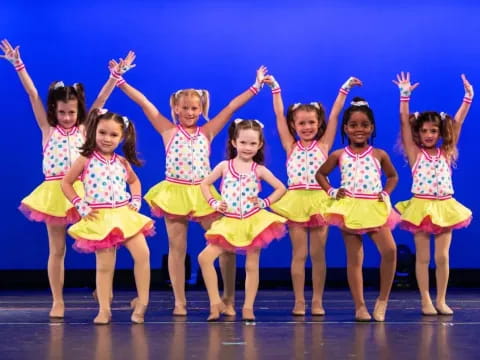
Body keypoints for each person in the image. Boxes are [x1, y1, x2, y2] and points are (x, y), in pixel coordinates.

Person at [116, 63, 268, 315]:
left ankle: (227, 299)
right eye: (184, 108)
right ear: (175, 108)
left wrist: (255, 87)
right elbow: (144, 103)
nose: (189, 112)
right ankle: (179, 301)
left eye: (194, 108)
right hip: (174, 193)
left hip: (202, 194)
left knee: (225, 244)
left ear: (201, 109)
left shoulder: (206, 132)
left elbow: (231, 107)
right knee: (177, 248)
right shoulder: (168, 130)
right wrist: (120, 81)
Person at [0, 38, 134, 318]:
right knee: (57, 249)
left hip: (87, 191)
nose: (66, 117)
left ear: (79, 112)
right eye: (61, 112)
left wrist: (115, 77)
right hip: (55, 192)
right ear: (54, 112)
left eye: (71, 112)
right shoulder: (47, 129)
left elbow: (101, 101)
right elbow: (33, 95)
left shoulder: (86, 127)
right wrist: (17, 65)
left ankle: (104, 290)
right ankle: (57, 300)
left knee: (106, 240)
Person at [265, 74, 362, 316]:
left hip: (320, 199)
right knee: (299, 254)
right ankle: (299, 300)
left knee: (318, 255)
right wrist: (275, 88)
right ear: (294, 126)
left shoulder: (324, 145)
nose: (307, 128)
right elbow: (279, 115)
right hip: (296, 201)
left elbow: (336, 114)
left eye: (311, 123)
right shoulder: (290, 145)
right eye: (301, 124)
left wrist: (345, 88)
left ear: (319, 124)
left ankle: (317, 300)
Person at [62, 109, 154, 324]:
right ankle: (104, 309)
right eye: (102, 132)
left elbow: (134, 181)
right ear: (94, 131)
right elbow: (66, 182)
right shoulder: (85, 159)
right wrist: (80, 205)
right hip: (100, 217)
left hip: (124, 215)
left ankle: (142, 303)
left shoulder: (122, 162)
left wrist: (136, 200)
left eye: (113, 135)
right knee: (105, 264)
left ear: (122, 137)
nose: (107, 138)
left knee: (143, 254)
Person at [393, 72, 473, 315]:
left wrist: (468, 98)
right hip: (421, 207)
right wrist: (404, 96)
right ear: (419, 133)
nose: (429, 135)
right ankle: (426, 300)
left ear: (440, 133)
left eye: (434, 131)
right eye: (425, 131)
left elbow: (456, 124)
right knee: (423, 258)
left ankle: (441, 299)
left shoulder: (445, 153)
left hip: (445, 206)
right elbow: (405, 124)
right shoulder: (415, 154)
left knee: (443, 257)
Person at [315, 97, 398, 322]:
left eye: (364, 125)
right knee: (355, 258)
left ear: (371, 128)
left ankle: (382, 300)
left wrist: (386, 192)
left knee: (390, 251)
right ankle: (360, 306)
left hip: (373, 206)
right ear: (345, 128)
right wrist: (332, 191)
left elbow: (392, 176)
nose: (359, 129)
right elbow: (320, 174)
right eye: (353, 125)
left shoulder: (379, 154)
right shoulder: (338, 155)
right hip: (349, 207)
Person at [198, 119, 287, 322]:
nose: (248, 147)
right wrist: (213, 202)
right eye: (244, 142)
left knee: (251, 266)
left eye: (253, 143)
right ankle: (215, 303)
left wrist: (265, 202)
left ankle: (248, 307)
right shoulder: (224, 166)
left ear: (260, 145)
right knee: (204, 258)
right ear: (234, 142)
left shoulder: (259, 170)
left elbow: (281, 188)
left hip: (251, 222)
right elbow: (205, 184)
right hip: (229, 222)